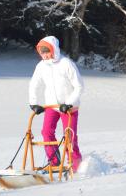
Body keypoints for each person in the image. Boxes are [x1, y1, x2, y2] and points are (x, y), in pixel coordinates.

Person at [28, 36, 84, 170]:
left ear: (53, 50)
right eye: (42, 53)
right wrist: (34, 103)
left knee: (69, 136)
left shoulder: (66, 64)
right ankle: (54, 162)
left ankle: (75, 164)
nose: (45, 55)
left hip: (69, 107)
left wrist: (69, 103)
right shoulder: (41, 66)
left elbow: (79, 86)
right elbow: (34, 85)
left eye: (47, 52)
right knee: (46, 132)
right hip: (51, 106)